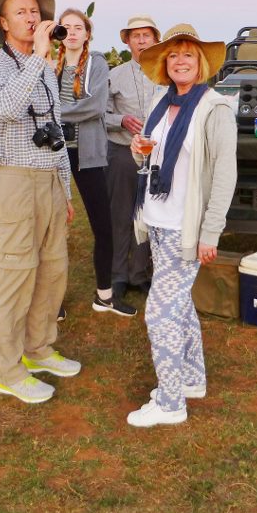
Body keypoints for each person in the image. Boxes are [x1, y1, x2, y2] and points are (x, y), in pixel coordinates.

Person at [126, 24, 237, 427]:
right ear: (164, 64)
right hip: (156, 219)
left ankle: (170, 402)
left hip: (184, 228)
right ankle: (192, 379)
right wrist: (140, 152)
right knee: (178, 303)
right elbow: (151, 161)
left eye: (188, 54)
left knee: (159, 312)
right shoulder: (161, 101)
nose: (180, 61)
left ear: (201, 62)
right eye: (173, 55)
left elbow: (224, 175)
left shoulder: (215, 109)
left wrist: (211, 233)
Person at [0, 0, 80, 405]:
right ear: (3, 23)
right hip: (14, 180)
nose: (32, 17)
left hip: (49, 181)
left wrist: (67, 191)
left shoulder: (47, 70)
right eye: (20, 12)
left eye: (35, 11)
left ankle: (38, 349)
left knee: (52, 271)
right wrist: (38, 58)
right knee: (13, 275)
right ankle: (8, 370)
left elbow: (55, 131)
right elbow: (7, 109)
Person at [56, 8, 136, 318]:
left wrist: (54, 113)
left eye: (79, 27)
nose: (73, 32)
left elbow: (95, 106)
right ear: (58, 33)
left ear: (88, 34)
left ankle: (104, 296)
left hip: (87, 152)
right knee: (52, 229)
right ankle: (53, 301)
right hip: (55, 153)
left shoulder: (97, 63)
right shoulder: (49, 65)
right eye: (66, 27)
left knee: (103, 226)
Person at [105, 16, 160, 302]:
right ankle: (118, 276)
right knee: (121, 215)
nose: (141, 40)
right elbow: (99, 114)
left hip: (157, 156)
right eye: (135, 35)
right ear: (127, 41)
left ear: (155, 40)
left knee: (148, 215)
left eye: (146, 35)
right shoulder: (114, 75)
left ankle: (140, 274)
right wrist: (120, 120)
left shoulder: (165, 74)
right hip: (122, 153)